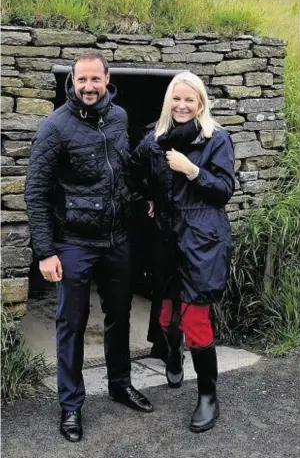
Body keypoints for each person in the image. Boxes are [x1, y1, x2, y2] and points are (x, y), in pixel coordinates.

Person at [24, 50, 153, 444]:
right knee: (71, 324)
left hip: (116, 238)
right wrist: (45, 252)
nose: (89, 87)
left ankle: (119, 383)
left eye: (95, 80)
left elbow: (122, 166)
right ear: (72, 82)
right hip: (74, 242)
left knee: (120, 314)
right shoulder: (55, 127)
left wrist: (141, 194)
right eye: (82, 80)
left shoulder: (119, 117)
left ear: (107, 78)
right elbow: (36, 192)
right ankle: (71, 405)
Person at [129, 71, 235, 433]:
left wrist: (193, 171)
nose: (182, 105)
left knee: (195, 319)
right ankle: (172, 353)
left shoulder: (216, 139)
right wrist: (147, 198)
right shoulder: (153, 140)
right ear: (168, 102)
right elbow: (132, 174)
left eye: (190, 99)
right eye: (176, 98)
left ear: (201, 102)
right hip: (165, 239)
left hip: (203, 239)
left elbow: (223, 190)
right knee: (165, 317)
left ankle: (208, 396)